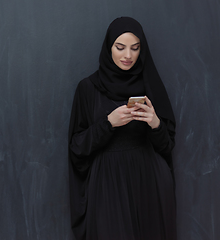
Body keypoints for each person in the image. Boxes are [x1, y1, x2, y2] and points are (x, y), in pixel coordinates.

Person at [68, 17, 177, 240]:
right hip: (108, 184)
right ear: (109, 48)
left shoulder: (150, 86)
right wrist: (108, 123)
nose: (128, 55)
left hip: (149, 182)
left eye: (135, 48)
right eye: (120, 47)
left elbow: (167, 148)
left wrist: (155, 123)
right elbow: (77, 146)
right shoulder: (88, 89)